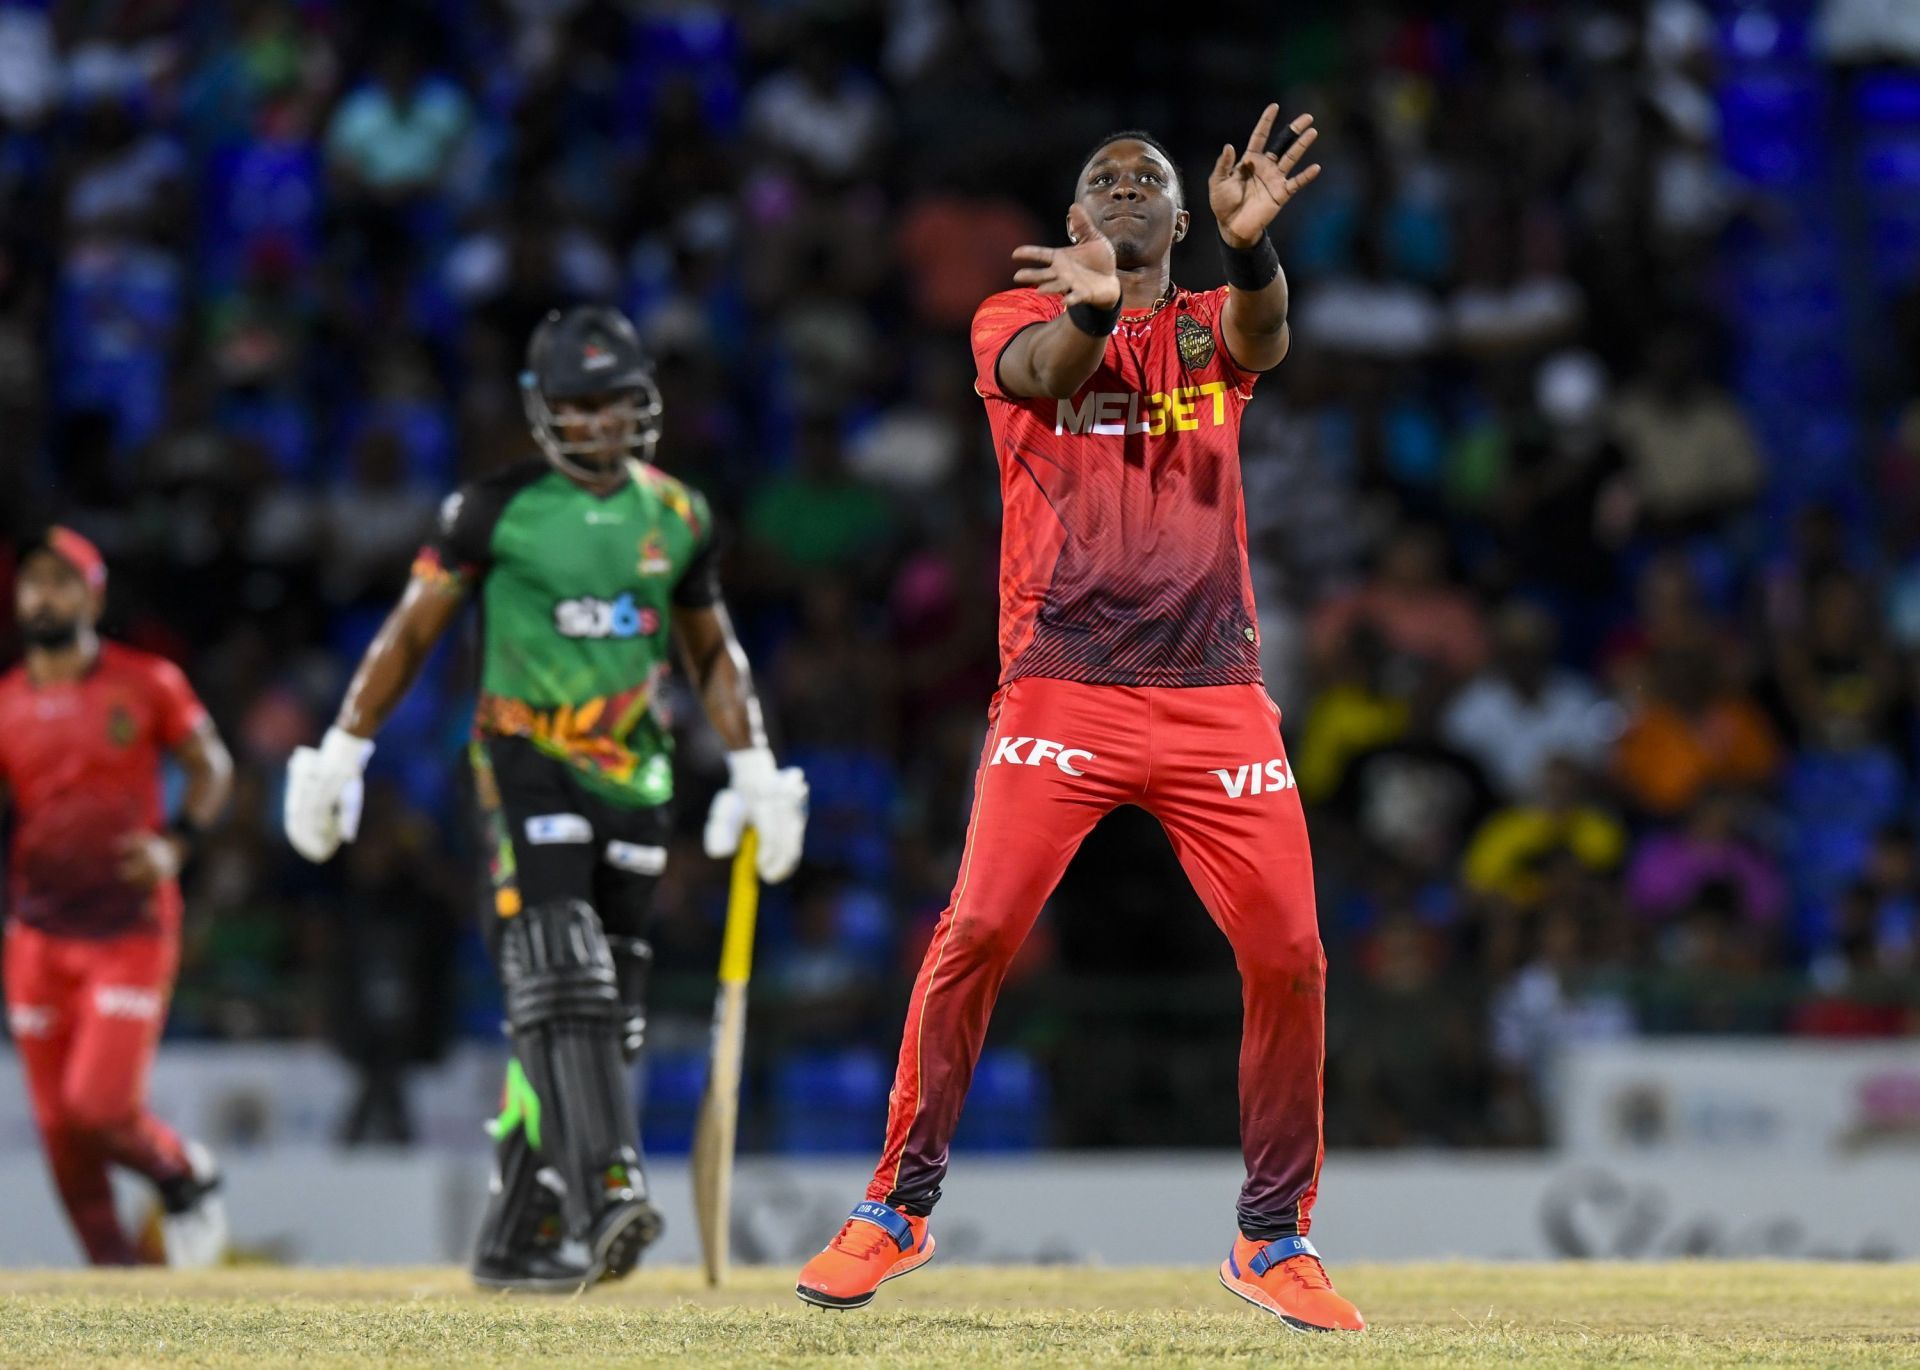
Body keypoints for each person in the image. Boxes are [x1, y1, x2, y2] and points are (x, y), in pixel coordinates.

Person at [794, 109, 1366, 1333]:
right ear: (1073, 222)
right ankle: (897, 1207)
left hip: (1216, 695)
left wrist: (1255, 255)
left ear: (1178, 215)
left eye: (1146, 180)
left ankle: (1274, 1237)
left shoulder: (1215, 320)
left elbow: (1263, 331)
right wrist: (1096, 309)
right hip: (1062, 687)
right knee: (980, 926)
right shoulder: (1014, 318)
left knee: (1292, 957)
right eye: (1102, 181)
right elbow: (1050, 372)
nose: (1123, 189)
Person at [282, 305, 808, 1293]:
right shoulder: (491, 508)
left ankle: (520, 1228)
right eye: (579, 404)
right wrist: (341, 749)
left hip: (637, 779)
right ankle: (610, 1187)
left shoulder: (679, 514)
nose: (601, 423)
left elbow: (710, 649)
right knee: (563, 973)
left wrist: (755, 766)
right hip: (522, 763)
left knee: (604, 1021)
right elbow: (408, 634)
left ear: (645, 403)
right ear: (543, 410)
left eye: (615, 403)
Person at [0, 527, 233, 1267]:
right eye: (33, 581)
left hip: (128, 931)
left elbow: (213, 767)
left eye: (62, 581)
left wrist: (178, 847)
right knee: (62, 1136)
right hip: (36, 939)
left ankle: (182, 1174)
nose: (45, 595)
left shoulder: (148, 682)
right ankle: (123, 1293)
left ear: (94, 595)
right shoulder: (4, 702)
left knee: (98, 1108)